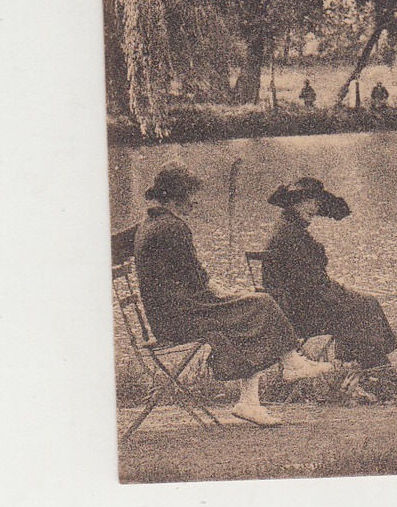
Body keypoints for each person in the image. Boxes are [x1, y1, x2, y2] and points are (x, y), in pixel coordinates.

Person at [132, 162, 333, 427]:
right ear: (176, 196)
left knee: (251, 307)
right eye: (191, 195)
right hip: (181, 318)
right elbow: (196, 279)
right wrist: (226, 295)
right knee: (260, 303)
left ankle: (258, 394)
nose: (195, 203)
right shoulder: (172, 228)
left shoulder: (150, 223)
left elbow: (190, 279)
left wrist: (227, 296)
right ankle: (286, 367)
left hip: (170, 314)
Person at [261, 177, 397, 398]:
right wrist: (341, 294)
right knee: (363, 307)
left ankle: (373, 370)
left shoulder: (290, 228)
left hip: (295, 304)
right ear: (293, 203)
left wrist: (340, 293)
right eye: (308, 202)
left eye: (317, 203)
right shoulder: (290, 235)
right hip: (297, 312)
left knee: (361, 303)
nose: (314, 207)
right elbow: (308, 284)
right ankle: (376, 371)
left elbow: (310, 281)